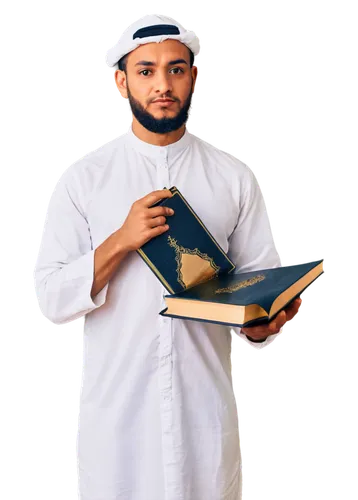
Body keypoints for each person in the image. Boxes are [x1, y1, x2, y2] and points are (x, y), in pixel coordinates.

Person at [33, 12, 303, 500]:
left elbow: (255, 291)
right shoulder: (83, 178)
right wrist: (121, 239)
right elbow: (50, 300)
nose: (163, 84)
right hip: (116, 432)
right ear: (121, 82)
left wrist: (265, 322)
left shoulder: (234, 177)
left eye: (176, 69)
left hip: (205, 420)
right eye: (146, 71)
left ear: (194, 78)